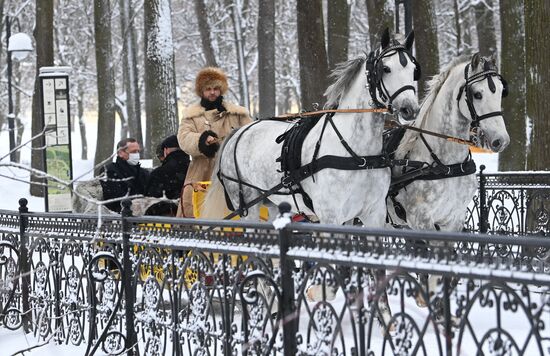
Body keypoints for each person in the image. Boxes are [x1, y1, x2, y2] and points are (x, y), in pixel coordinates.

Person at [177, 67, 252, 217]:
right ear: (201, 91)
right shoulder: (191, 115)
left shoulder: (238, 114)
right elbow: (183, 138)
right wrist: (202, 140)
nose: (212, 92)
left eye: (216, 88)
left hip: (234, 171)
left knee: (234, 214)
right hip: (201, 173)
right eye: (208, 89)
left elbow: (251, 135)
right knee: (197, 214)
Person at [100, 138, 149, 212]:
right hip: (119, 215)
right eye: (133, 152)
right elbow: (114, 197)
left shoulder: (143, 172)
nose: (137, 154)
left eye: (138, 151)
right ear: (120, 153)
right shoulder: (108, 171)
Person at [146, 134, 190, 199]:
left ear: (166, 150)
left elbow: (150, 201)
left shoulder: (158, 174)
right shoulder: (196, 169)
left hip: (167, 208)